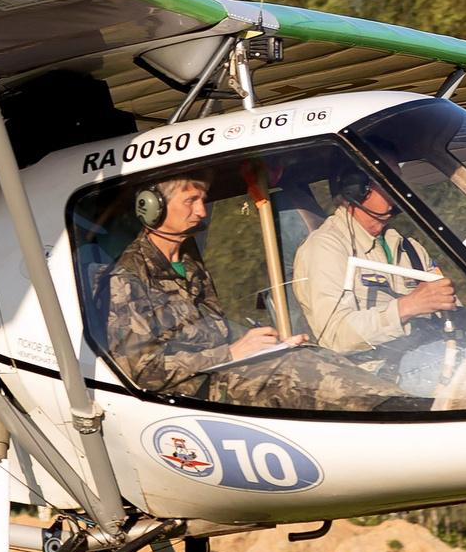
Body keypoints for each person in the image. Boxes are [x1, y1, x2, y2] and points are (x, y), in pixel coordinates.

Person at [104, 176, 405, 411]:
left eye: (203, 201)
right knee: (300, 376)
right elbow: (141, 370)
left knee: (309, 356)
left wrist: (271, 344)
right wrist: (231, 353)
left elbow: (214, 330)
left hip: (222, 372)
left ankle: (405, 407)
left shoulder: (189, 263)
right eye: (191, 201)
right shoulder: (128, 276)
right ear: (152, 207)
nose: (201, 211)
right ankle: (398, 418)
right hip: (188, 395)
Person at [294, 166, 459, 356]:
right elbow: (335, 336)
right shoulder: (325, 247)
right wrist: (408, 306)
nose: (399, 187)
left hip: (435, 353)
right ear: (356, 188)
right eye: (389, 179)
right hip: (377, 369)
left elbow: (455, 312)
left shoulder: (410, 248)